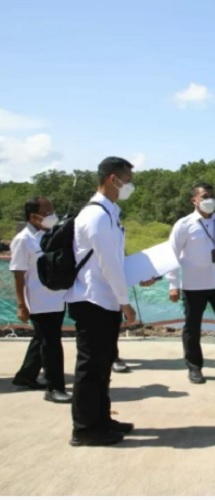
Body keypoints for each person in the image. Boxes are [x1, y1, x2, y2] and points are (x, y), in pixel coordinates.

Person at [64, 156, 139, 447]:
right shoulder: (96, 215)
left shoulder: (108, 212)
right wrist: (125, 302)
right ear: (113, 179)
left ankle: (100, 419)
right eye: (128, 180)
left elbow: (114, 260)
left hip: (101, 299)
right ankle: (84, 428)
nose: (129, 186)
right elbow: (108, 264)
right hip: (93, 299)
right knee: (91, 368)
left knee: (102, 364)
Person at [164, 182, 215, 384]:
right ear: (194, 200)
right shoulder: (184, 225)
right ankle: (194, 367)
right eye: (204, 197)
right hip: (194, 286)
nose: (209, 200)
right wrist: (172, 284)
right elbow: (172, 255)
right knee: (192, 328)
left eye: (212, 196)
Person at [9, 196, 71, 403]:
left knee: (43, 338)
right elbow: (18, 274)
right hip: (38, 300)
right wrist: (21, 305)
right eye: (47, 213)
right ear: (34, 217)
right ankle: (55, 388)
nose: (52, 216)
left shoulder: (52, 235)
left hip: (57, 296)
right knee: (51, 343)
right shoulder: (23, 240)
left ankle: (25, 376)